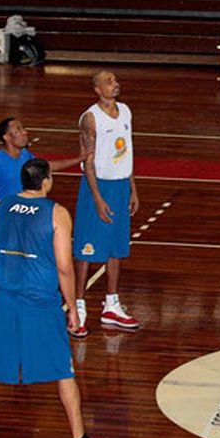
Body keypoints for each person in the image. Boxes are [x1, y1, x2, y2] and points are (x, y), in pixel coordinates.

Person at [0, 158, 105, 438]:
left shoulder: (1, 206)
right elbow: (64, 268)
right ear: (46, 181)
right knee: (64, 372)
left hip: (5, 301)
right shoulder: (57, 213)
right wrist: (73, 307)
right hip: (41, 304)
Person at [0, 117, 89, 359]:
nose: (25, 132)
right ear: (7, 137)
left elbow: (46, 166)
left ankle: (13, 328)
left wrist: (79, 159)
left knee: (13, 275)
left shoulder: (26, 157)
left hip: (16, 225)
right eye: (19, 129)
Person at [73, 70, 140, 338]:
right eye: (109, 82)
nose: (116, 84)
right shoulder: (90, 118)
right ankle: (78, 308)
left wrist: (133, 189)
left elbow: (127, 151)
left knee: (116, 247)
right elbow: (88, 161)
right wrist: (97, 197)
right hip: (98, 188)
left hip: (121, 186)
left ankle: (111, 305)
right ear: (97, 90)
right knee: (86, 250)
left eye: (116, 80)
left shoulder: (126, 111)